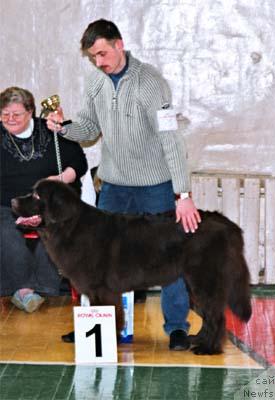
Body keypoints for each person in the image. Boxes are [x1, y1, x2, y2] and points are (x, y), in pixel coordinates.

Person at [47, 19, 201, 350]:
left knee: (169, 258)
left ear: (119, 44)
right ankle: (98, 325)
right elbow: (88, 129)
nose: (99, 62)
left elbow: (171, 139)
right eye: (93, 57)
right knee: (94, 259)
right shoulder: (95, 83)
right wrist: (63, 128)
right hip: (114, 187)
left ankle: (176, 328)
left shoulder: (152, 84)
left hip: (155, 186)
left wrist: (183, 194)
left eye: (102, 53)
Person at [0, 87, 88, 312]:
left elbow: (78, 162)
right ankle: (22, 290)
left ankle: (44, 287)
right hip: (9, 203)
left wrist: (59, 179)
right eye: (4, 114)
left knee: (52, 229)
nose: (10, 119)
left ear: (31, 112)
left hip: (49, 203)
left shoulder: (50, 129)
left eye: (16, 114)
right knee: (6, 231)